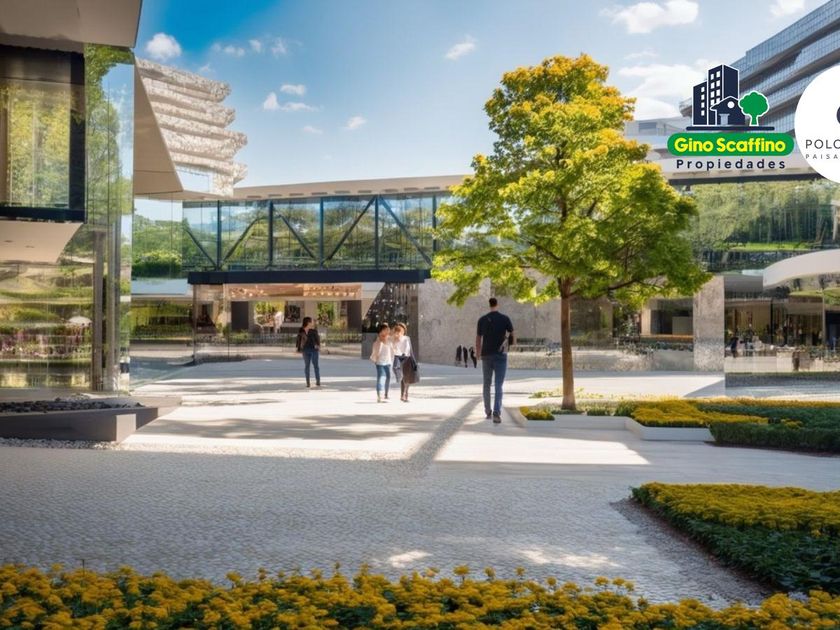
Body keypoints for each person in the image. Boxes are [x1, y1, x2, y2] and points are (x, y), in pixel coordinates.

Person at [476, 297, 514, 423]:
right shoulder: (505, 319)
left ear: (489, 305)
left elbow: (478, 338)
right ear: (497, 304)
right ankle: (497, 413)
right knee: (498, 384)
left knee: (486, 384)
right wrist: (509, 344)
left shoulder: (482, 320)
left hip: (486, 355)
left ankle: (488, 411)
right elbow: (512, 333)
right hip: (500, 355)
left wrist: (478, 353)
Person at [370, 323, 394, 402]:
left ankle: (386, 394)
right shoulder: (378, 340)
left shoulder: (389, 339)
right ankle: (379, 396)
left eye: (387, 330)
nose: (387, 331)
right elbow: (376, 350)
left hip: (388, 362)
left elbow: (393, 346)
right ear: (381, 331)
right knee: (381, 378)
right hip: (380, 362)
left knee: (388, 377)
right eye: (385, 330)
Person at [391, 322, 414, 402]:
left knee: (407, 378)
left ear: (404, 331)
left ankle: (405, 394)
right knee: (402, 376)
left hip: (407, 359)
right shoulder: (394, 338)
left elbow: (409, 349)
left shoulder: (407, 338)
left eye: (401, 330)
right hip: (399, 357)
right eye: (397, 331)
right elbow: (392, 347)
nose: (399, 332)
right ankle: (403, 395)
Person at [296, 316, 321, 388]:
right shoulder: (301, 330)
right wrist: (298, 348)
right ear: (308, 322)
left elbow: (317, 340)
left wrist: (317, 345)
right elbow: (298, 340)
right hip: (305, 350)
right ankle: (308, 382)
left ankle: (318, 381)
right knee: (307, 366)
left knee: (316, 365)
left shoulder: (314, 331)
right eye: (311, 321)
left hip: (314, 350)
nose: (312, 323)